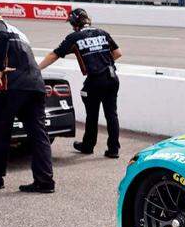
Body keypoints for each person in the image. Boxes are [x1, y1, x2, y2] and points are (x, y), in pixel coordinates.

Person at [0, 0, 55, 193]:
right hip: (35, 85)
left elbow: (1, 37)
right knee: (39, 135)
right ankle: (45, 181)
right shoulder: (18, 31)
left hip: (12, 86)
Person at [37, 8, 123, 158]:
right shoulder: (103, 32)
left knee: (92, 114)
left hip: (95, 80)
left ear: (74, 23)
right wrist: (102, 62)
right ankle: (113, 149)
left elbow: (54, 54)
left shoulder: (74, 37)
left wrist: (37, 69)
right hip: (112, 77)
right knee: (111, 114)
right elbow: (118, 53)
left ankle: (88, 146)